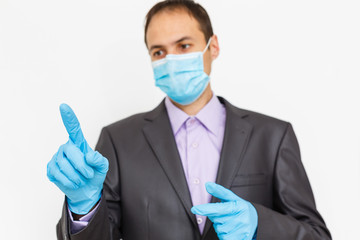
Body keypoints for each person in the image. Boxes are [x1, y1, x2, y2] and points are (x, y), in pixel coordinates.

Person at [47, 0, 332, 239]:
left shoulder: (272, 136)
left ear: (213, 47)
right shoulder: (118, 141)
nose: (170, 60)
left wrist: (259, 224)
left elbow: (316, 234)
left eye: (184, 46)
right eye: (159, 52)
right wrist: (84, 207)